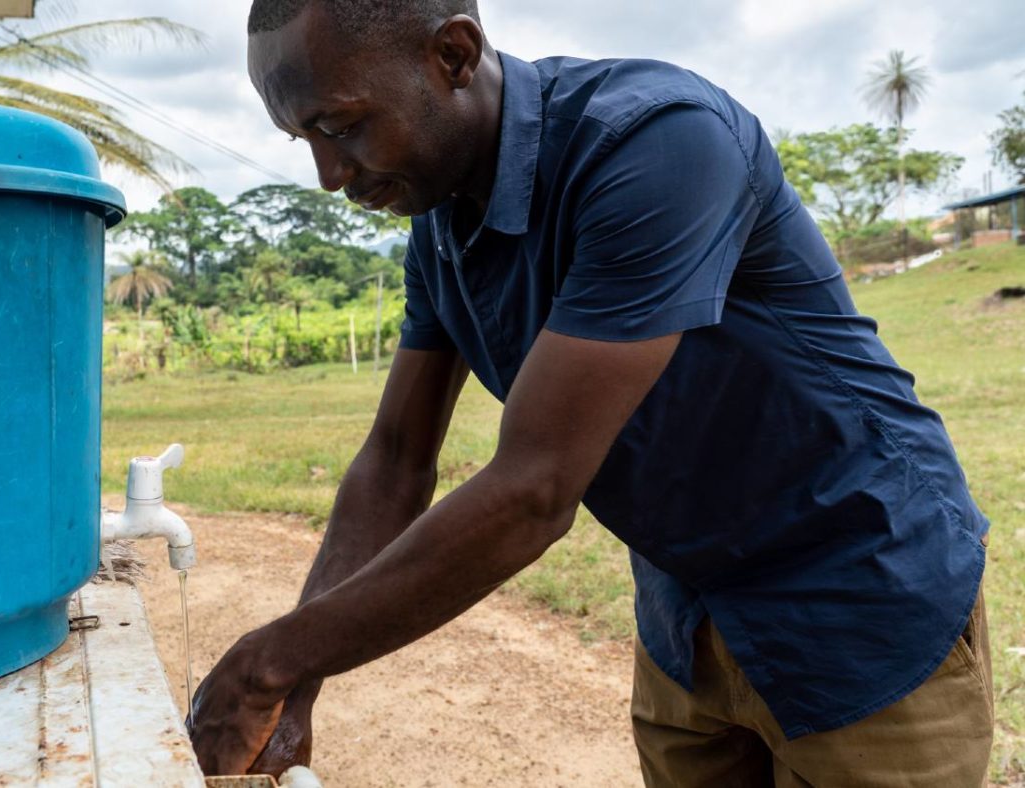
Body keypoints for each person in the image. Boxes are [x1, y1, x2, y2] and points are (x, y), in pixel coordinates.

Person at [188, 1, 996, 785]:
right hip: (690, 615)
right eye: (304, 139)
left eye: (341, 125)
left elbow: (533, 491)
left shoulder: (658, 143)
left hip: (860, 595)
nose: (329, 175)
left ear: (454, 56)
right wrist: (294, 690)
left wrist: (267, 665)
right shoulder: (440, 232)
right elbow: (396, 462)